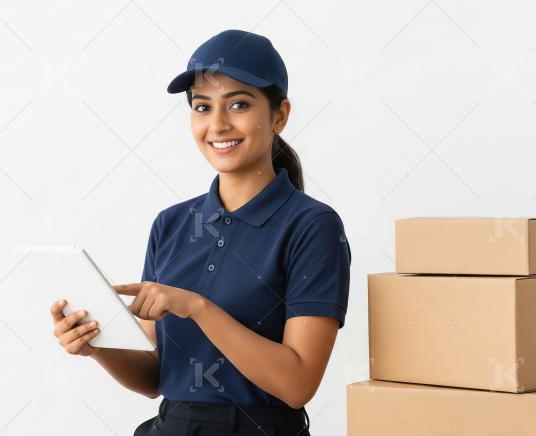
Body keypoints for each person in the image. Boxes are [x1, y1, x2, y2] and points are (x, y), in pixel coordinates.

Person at [50, 29, 351, 436]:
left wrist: (198, 307)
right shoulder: (171, 224)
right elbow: (154, 378)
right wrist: (95, 346)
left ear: (279, 115)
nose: (218, 125)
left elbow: (298, 384)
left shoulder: (311, 226)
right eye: (202, 107)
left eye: (239, 104)